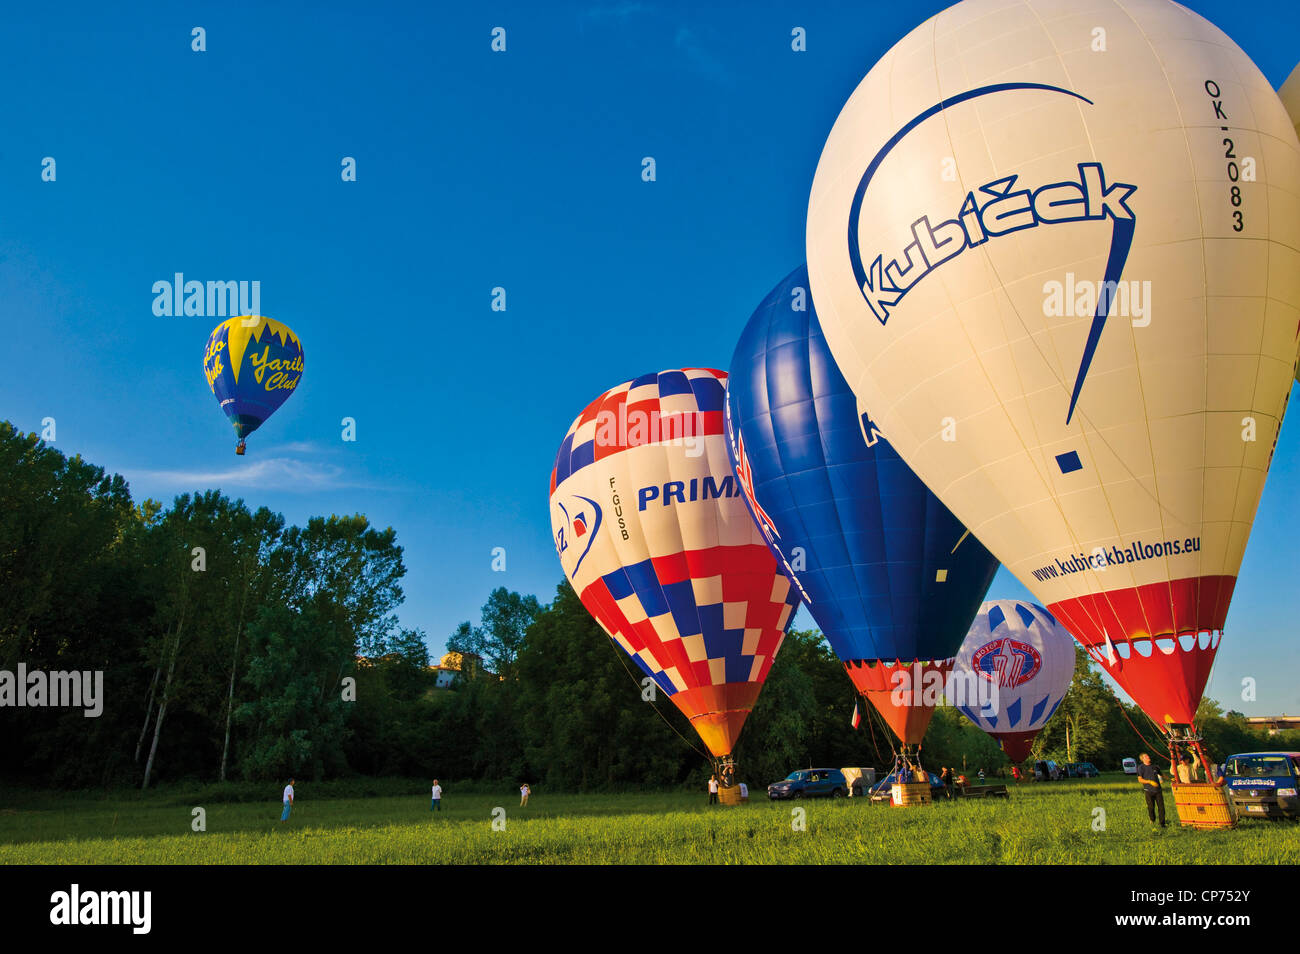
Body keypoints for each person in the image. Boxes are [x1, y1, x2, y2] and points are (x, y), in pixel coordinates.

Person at [1136, 753, 1166, 828]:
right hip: (1148, 790)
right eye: (1146, 756)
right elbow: (1140, 779)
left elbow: (1162, 774)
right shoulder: (1141, 767)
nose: (1148, 757)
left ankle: (1162, 823)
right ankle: (1152, 820)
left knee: (1161, 807)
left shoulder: (1155, 766)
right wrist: (1150, 782)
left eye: (1148, 755)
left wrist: (1170, 779)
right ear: (1143, 759)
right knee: (1151, 807)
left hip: (1158, 790)